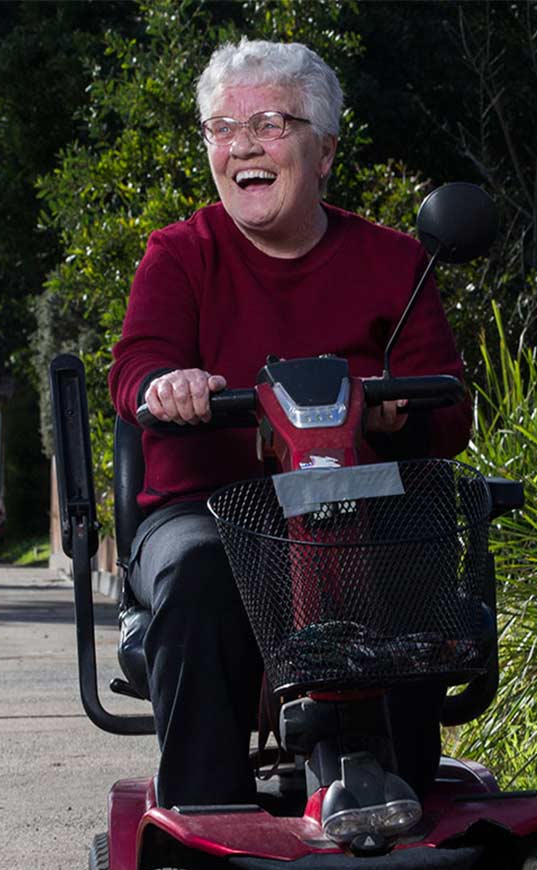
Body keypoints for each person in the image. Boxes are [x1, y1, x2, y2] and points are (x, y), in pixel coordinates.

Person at [108, 38, 473, 809]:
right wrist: (167, 385)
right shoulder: (179, 255)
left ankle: (404, 797)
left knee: (410, 544)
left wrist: (398, 415)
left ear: (326, 149)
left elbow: (451, 414)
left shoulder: (395, 262)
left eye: (270, 122)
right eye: (221, 127)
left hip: (359, 500)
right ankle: (205, 818)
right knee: (200, 569)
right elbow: (135, 366)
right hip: (207, 509)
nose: (241, 143)